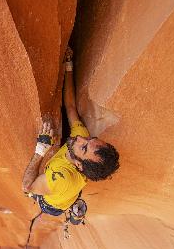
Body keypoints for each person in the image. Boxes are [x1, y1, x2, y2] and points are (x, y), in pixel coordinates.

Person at [22, 47, 120, 216]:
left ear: (78, 165)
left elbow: (27, 186)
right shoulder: (81, 142)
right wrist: (69, 66)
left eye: (83, 147)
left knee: (35, 196)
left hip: (52, 206)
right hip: (70, 193)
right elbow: (70, 107)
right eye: (90, 140)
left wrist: (40, 150)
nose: (81, 138)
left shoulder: (60, 177)